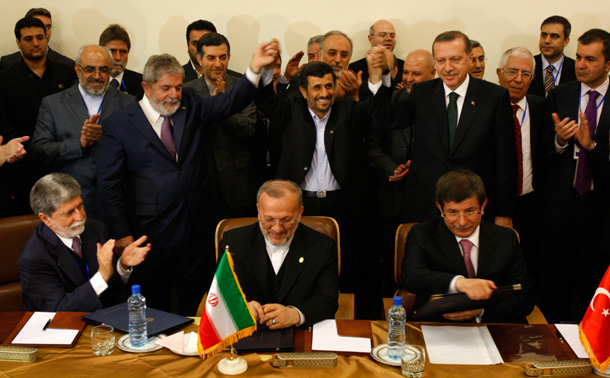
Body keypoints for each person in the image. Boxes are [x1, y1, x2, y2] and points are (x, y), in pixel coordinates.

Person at [98, 42, 279, 315]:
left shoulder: (191, 104)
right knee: (155, 307)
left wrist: (254, 70)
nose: (174, 95)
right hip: (150, 234)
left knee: (193, 305)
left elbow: (229, 102)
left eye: (178, 87)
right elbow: (109, 185)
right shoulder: (119, 124)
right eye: (165, 88)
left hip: (195, 229)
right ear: (146, 88)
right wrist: (123, 234)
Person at [254, 60, 372, 315]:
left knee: (346, 265)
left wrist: (360, 92)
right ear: (304, 91)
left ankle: (343, 322)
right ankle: (299, 314)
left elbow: (374, 118)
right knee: (302, 266)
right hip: (300, 205)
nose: (324, 93)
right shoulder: (290, 108)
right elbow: (265, 100)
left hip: (342, 203)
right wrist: (264, 69)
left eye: (329, 86)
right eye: (316, 87)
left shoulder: (348, 109)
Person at [369, 30, 517, 227]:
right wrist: (382, 78)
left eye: (455, 59)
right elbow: (387, 121)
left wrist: (504, 213)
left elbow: (506, 162)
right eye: (441, 61)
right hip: (425, 205)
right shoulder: (422, 93)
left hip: (474, 208)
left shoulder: (494, 97)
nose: (447, 68)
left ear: (470, 58)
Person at [402, 170, 534, 323]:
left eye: (470, 211)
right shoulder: (423, 233)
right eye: (453, 212)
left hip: (493, 326)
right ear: (440, 208)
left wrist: (482, 312)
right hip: (437, 326)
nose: (462, 222)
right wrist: (458, 283)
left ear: (483, 205)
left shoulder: (505, 238)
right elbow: (411, 276)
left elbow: (525, 297)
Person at [542, 28, 610, 323]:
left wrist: (591, 146)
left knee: (590, 285)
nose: (580, 64)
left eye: (590, 59)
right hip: (561, 205)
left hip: (601, 208)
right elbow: (541, 152)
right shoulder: (560, 95)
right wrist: (558, 140)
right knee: (554, 282)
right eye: (579, 57)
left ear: (608, 64)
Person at [18, 173, 150, 312]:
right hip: (65, 326)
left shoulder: (95, 228)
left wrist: (122, 265)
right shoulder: (33, 258)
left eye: (80, 206)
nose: (80, 216)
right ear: (45, 218)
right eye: (69, 213)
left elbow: (112, 287)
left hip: (105, 317)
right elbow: (58, 310)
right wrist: (102, 276)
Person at [29, 45, 133, 221]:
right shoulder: (53, 104)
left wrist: (109, 137)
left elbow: (140, 150)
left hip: (116, 206)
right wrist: (80, 144)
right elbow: (39, 150)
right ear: (77, 69)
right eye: (90, 69)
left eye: (103, 70)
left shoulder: (129, 103)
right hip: (68, 206)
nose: (97, 76)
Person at [219, 180, 338, 328]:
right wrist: (240, 308)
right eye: (269, 219)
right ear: (258, 210)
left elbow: (328, 300)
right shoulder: (234, 242)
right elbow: (219, 293)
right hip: (248, 333)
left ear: (300, 213)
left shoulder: (322, 246)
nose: (277, 228)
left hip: (301, 335)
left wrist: (295, 314)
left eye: (286, 220)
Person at [367, 49, 435, 296]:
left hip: (427, 200)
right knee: (389, 261)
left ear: (433, 74)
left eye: (417, 73)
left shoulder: (439, 105)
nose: (409, 78)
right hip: (391, 197)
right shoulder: (390, 102)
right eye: (406, 72)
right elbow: (371, 145)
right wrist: (391, 167)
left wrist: (415, 165)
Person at [0, 17, 77, 216]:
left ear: (46, 38)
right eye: (28, 39)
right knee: (29, 219)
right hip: (23, 163)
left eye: (40, 37)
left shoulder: (67, 72)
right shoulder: (5, 78)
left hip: (63, 158)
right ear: (18, 42)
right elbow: (3, 119)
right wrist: (16, 149)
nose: (35, 43)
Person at [184, 32, 258, 220]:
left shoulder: (242, 87)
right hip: (201, 182)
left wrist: (223, 104)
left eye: (222, 57)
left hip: (238, 184)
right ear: (199, 60)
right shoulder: (187, 91)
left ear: (229, 58)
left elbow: (248, 130)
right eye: (211, 58)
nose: (218, 64)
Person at [496, 46, 549, 299]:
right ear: (499, 73)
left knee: (527, 266)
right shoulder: (486, 106)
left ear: (532, 79)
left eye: (525, 73)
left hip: (531, 202)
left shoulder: (540, 107)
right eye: (513, 71)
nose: (518, 79)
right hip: (492, 204)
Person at [0, 8, 74, 69]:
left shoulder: (67, 64)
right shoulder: (7, 62)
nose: (45, 31)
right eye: (38, 25)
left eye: (48, 27)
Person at [350, 20, 404, 100]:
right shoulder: (355, 68)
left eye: (392, 36)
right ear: (370, 39)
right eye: (383, 35)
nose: (389, 38)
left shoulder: (405, 67)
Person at [528, 16, 577, 97]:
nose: (547, 41)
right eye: (544, 35)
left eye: (554, 36)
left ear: (566, 41)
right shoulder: (527, 64)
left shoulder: (576, 69)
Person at [99, 24, 143, 96]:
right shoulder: (90, 81)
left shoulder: (142, 85)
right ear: (101, 52)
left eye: (123, 52)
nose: (118, 58)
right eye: (112, 51)